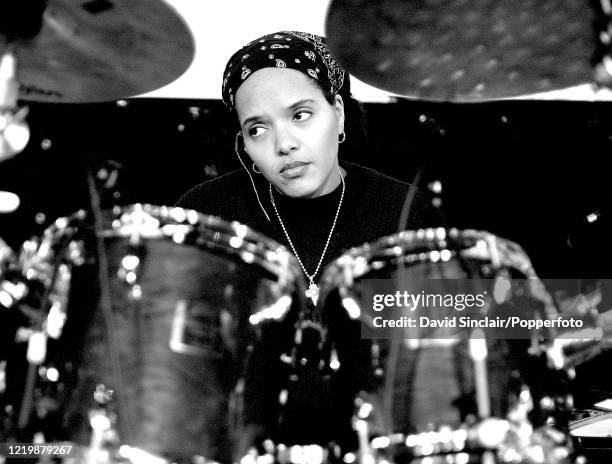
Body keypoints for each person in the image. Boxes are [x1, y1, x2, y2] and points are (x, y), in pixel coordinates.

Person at [176, 31, 432, 450]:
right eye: (258, 129)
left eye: (300, 115)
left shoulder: (403, 210)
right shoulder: (209, 213)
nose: (284, 144)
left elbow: (465, 324)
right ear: (245, 147)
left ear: (339, 113)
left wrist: (561, 313)